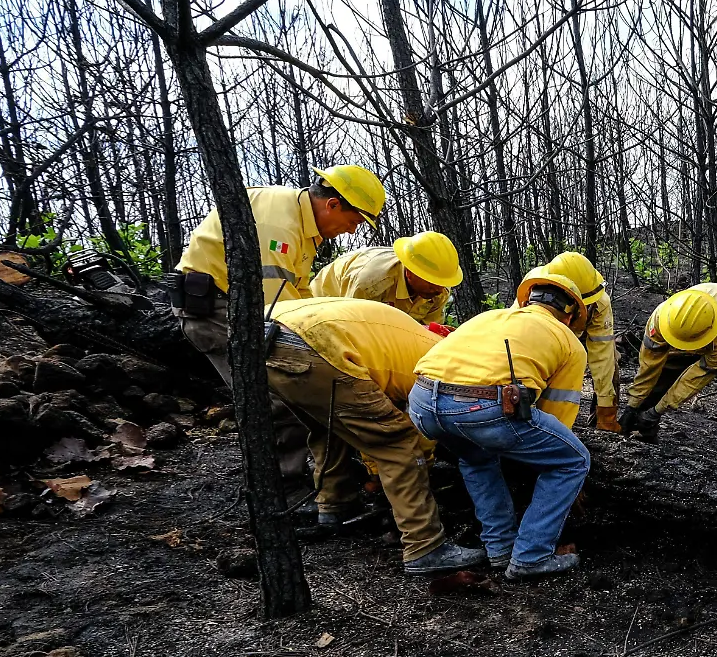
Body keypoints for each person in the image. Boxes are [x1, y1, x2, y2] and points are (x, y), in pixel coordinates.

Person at [173, 165, 387, 479]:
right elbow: (274, 310)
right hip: (215, 312)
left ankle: (301, 476)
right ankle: (284, 488)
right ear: (333, 205)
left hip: (242, 309)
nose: (352, 231)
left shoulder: (301, 223)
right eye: (353, 221)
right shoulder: (281, 226)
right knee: (276, 400)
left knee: (292, 391)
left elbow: (295, 291)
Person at [264, 297, 483, 574]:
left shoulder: (408, 335)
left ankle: (334, 505)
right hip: (319, 346)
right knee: (398, 443)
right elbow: (422, 426)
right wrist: (415, 468)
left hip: (268, 337)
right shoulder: (441, 364)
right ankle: (424, 546)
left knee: (327, 427)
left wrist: (375, 469)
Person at [409, 272, 591, 582]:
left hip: (422, 402)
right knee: (573, 461)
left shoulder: (489, 316)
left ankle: (500, 549)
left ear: (526, 299)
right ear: (570, 313)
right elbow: (558, 416)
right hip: (485, 407)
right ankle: (531, 556)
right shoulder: (568, 341)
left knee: (476, 459)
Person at [621, 283, 717, 468]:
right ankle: (643, 433)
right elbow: (648, 367)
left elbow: (692, 381)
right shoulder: (660, 318)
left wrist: (657, 410)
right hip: (713, 316)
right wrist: (632, 405)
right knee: (663, 374)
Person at [537, 251, 621, 432]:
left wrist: (606, 406)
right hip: (546, 334)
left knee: (612, 363)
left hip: (578, 330)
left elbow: (602, 354)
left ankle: (602, 422)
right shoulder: (533, 288)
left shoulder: (599, 301)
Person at [308, 230, 461, 326]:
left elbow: (429, 333)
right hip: (324, 309)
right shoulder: (371, 284)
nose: (439, 289)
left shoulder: (439, 292)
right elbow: (352, 327)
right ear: (410, 272)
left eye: (443, 282)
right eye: (432, 282)